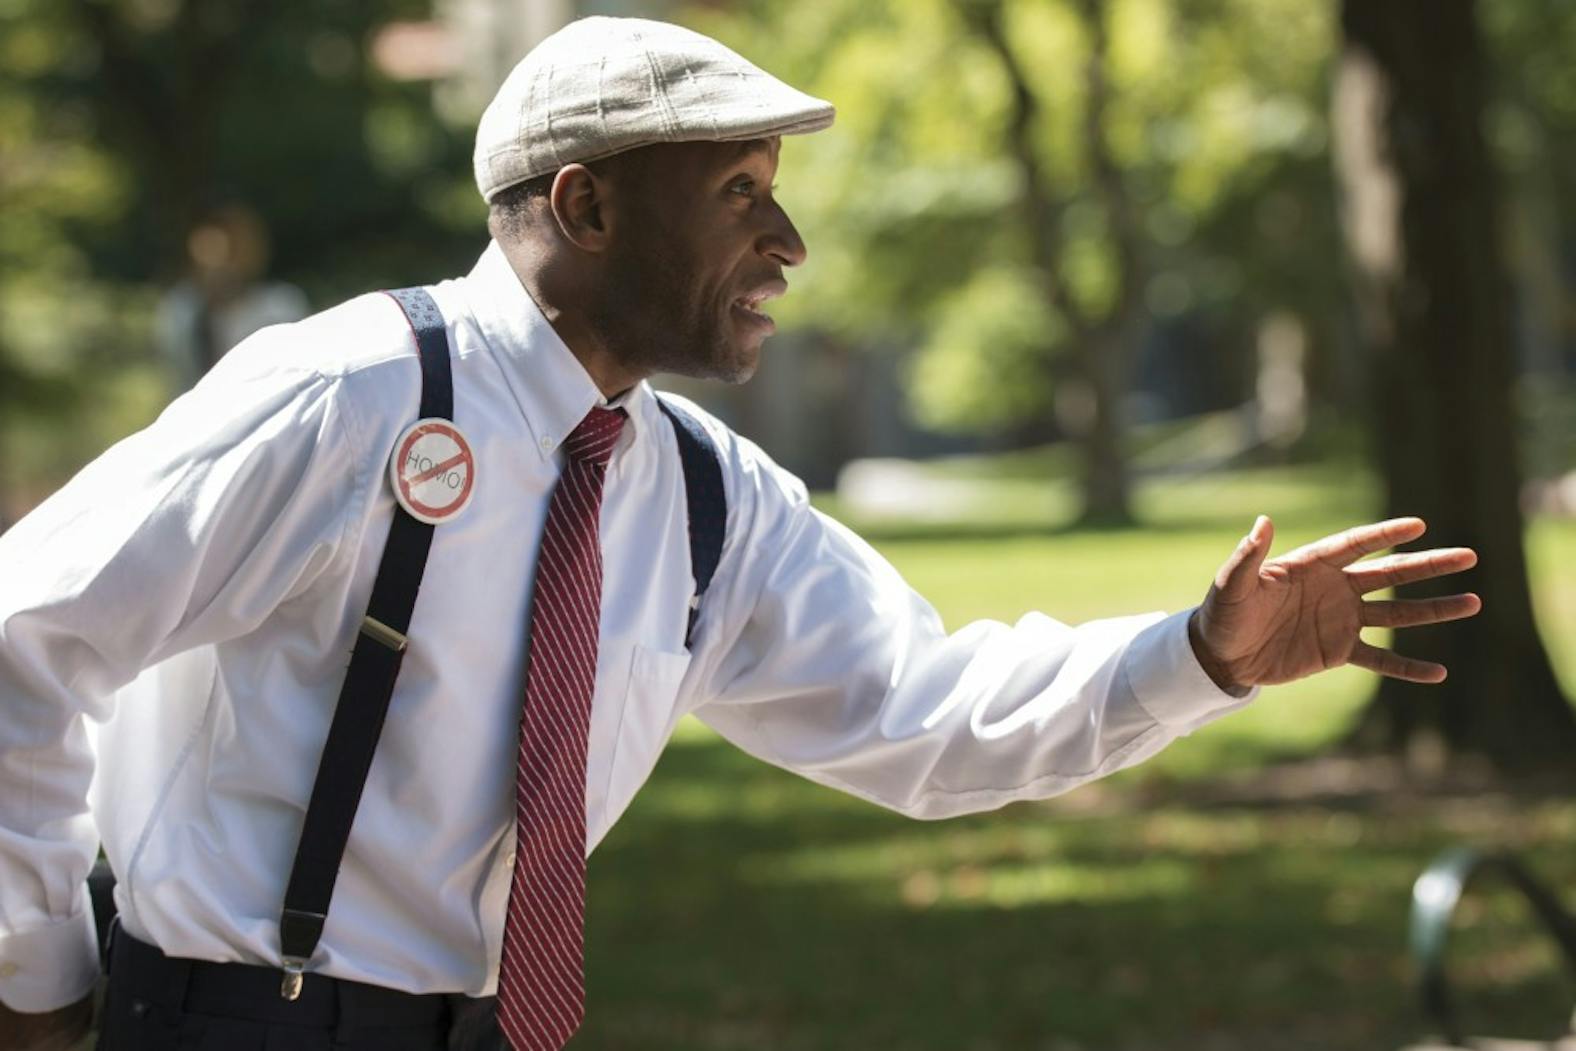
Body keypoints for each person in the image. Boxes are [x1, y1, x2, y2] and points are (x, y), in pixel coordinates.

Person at [0, 15, 1481, 1051]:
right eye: (739, 194)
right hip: (218, 1023)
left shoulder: (700, 491)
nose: (788, 246)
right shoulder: (346, 400)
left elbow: (929, 715)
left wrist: (1199, 658)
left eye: (776, 195)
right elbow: (25, 636)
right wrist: (36, 982)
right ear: (581, 205)